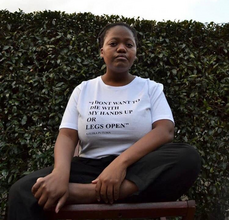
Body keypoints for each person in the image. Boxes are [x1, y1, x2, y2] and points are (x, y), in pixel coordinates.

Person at [8, 22, 201, 220]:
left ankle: (85, 193)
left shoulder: (150, 88)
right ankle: (103, 191)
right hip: (88, 169)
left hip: (136, 169)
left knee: (188, 157)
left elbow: (165, 130)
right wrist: (60, 174)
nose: (121, 48)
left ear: (135, 52)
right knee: (23, 191)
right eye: (113, 43)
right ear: (102, 51)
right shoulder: (83, 90)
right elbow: (67, 135)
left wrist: (119, 164)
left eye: (129, 44)